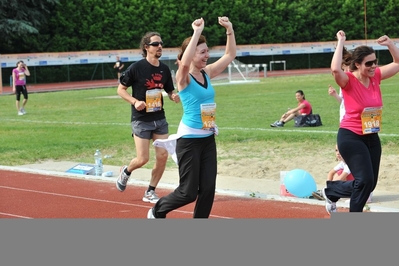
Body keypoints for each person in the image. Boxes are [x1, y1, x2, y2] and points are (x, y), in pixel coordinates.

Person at [147, 16, 236, 218]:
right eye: (202, 52)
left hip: (208, 139)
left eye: (207, 51)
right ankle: (157, 211)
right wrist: (196, 32)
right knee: (187, 192)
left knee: (207, 189)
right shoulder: (183, 78)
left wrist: (229, 30)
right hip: (189, 141)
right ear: (192, 53)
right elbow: (185, 64)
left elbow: (230, 54)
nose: (207, 55)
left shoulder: (206, 73)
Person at [321, 30, 399, 214]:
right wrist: (341, 41)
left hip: (371, 136)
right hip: (351, 136)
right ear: (357, 64)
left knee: (369, 184)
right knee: (364, 182)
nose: (373, 66)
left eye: (375, 62)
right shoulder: (348, 81)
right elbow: (335, 69)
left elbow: (397, 63)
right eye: (369, 63)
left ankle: (331, 191)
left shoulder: (376, 77)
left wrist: (390, 44)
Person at [115, 31, 180, 204]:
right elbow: (120, 89)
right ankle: (126, 171)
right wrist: (135, 101)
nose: (160, 46)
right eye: (155, 44)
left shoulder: (164, 69)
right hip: (141, 119)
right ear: (146, 47)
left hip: (159, 118)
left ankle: (150, 191)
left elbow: (169, 90)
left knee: (162, 156)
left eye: (161, 43)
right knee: (143, 159)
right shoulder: (136, 68)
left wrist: (173, 96)